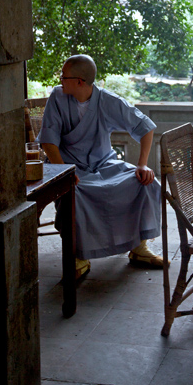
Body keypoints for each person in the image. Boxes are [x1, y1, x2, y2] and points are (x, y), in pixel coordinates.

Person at [38, 54, 163, 279]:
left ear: (80, 81)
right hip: (68, 166)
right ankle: (78, 255)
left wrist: (143, 165)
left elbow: (145, 127)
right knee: (75, 192)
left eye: (63, 76)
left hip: (104, 163)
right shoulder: (57, 96)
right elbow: (48, 141)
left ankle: (139, 247)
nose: (60, 80)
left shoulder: (107, 100)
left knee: (146, 182)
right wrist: (63, 172)